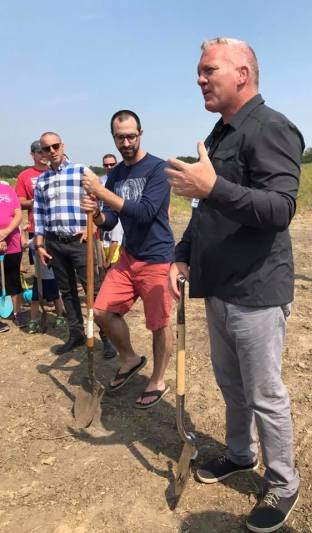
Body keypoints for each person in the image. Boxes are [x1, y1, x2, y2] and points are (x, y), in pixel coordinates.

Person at [166, 38, 304, 533]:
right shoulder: (222, 132)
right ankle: (242, 455)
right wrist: (182, 256)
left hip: (257, 289)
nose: (199, 79)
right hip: (219, 286)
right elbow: (207, 211)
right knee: (231, 386)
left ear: (242, 73)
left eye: (208, 70)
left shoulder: (271, 127)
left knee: (264, 393)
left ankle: (284, 482)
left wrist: (213, 187)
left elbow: (281, 208)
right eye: (199, 71)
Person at [80, 110, 175, 408]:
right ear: (114, 138)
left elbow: (145, 213)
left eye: (131, 135)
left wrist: (100, 192)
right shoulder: (117, 174)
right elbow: (111, 220)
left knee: (158, 324)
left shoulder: (158, 169)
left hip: (157, 258)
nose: (127, 142)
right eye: (120, 137)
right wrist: (96, 213)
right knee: (101, 310)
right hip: (129, 256)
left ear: (141, 133)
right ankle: (130, 358)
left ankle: (157, 379)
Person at [33, 132, 115, 357]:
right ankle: (76, 333)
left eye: (55, 146)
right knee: (67, 290)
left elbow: (103, 197)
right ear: (41, 152)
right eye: (46, 149)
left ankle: (107, 336)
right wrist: (39, 244)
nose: (51, 151)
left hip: (80, 241)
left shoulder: (81, 171)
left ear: (62, 146)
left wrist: (93, 226)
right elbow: (39, 214)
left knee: (94, 290)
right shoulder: (42, 180)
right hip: (54, 243)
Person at [0, 180, 26, 327]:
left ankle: (18, 313)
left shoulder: (7, 189)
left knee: (14, 277)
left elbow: (18, 215)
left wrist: (6, 232)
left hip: (13, 241)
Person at [26, 239, 65, 334]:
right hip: (38, 277)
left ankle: (60, 317)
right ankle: (33, 321)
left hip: (51, 277)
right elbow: (23, 245)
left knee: (56, 297)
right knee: (35, 300)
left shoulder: (52, 242)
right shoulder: (32, 242)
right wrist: (23, 231)